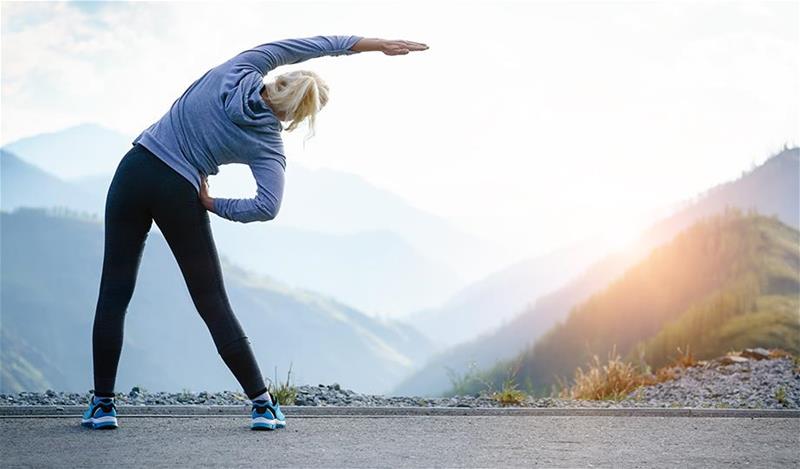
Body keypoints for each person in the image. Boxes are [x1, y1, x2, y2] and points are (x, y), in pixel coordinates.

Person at [81, 35, 429, 431]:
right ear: (297, 115)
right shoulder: (268, 142)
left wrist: (373, 44)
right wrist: (214, 204)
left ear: (280, 75)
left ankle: (103, 405)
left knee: (114, 292)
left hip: (134, 169)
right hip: (180, 191)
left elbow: (315, 44)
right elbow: (268, 206)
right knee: (211, 301)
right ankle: (263, 406)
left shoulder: (243, 65)